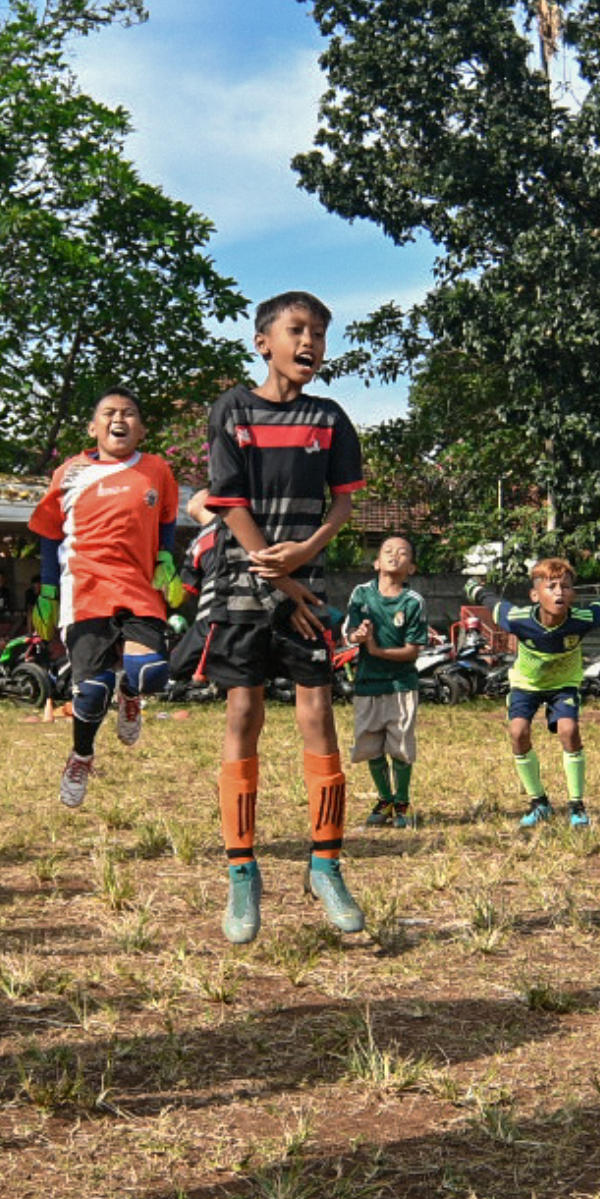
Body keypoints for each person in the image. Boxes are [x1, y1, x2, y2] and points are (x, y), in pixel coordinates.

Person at [195, 292, 367, 945]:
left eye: (320, 333)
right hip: (245, 586)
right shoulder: (232, 410)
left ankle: (326, 865)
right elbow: (227, 500)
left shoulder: (330, 419)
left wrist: (307, 556)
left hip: (307, 586)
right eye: (298, 330)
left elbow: (344, 505)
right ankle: (243, 872)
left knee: (318, 715)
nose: (311, 342)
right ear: (263, 341)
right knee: (243, 714)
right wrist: (282, 574)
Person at [30, 388, 180, 812]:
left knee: (151, 673)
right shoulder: (69, 472)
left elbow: (167, 518)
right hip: (86, 586)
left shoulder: (157, 469)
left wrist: (166, 556)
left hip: (139, 585)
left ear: (142, 428)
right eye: (109, 413)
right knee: (92, 690)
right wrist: (45, 592)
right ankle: (81, 756)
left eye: (130, 413)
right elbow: (48, 534)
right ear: (93, 427)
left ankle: (130, 694)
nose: (120, 420)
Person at [489, 558, 600, 832]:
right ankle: (539, 802)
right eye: (551, 586)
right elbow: (492, 603)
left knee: (569, 730)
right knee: (518, 732)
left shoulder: (584, 619)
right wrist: (474, 587)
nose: (559, 592)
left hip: (563, 685)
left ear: (573, 594)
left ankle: (576, 806)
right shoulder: (516, 619)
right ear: (535, 595)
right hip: (526, 684)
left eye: (566, 587)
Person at [341, 535, 428, 830]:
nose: (395, 556)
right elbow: (349, 632)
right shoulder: (361, 594)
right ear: (376, 562)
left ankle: (402, 801)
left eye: (403, 552)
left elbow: (412, 651)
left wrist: (378, 650)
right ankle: (384, 799)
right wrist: (359, 636)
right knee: (370, 745)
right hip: (367, 683)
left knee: (400, 744)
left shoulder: (412, 602)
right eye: (388, 551)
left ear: (411, 568)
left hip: (400, 685)